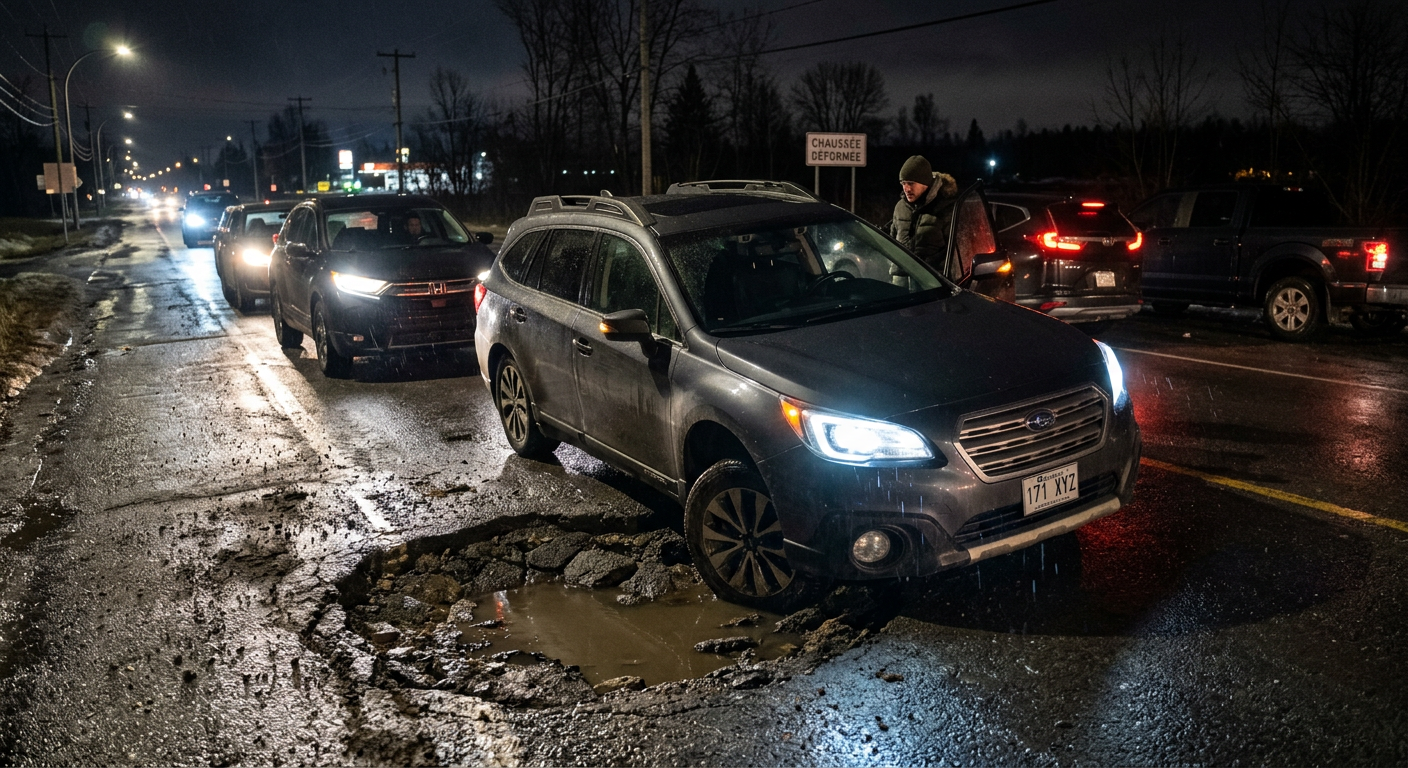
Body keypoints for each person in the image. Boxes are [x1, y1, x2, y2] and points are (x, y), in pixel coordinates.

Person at [889, 155, 959, 267]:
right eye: (903, 183)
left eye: (911, 183)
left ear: (925, 183)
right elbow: (891, 242)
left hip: (932, 282)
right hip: (899, 282)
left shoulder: (945, 208)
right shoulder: (900, 207)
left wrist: (926, 267)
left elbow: (955, 251)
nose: (906, 189)